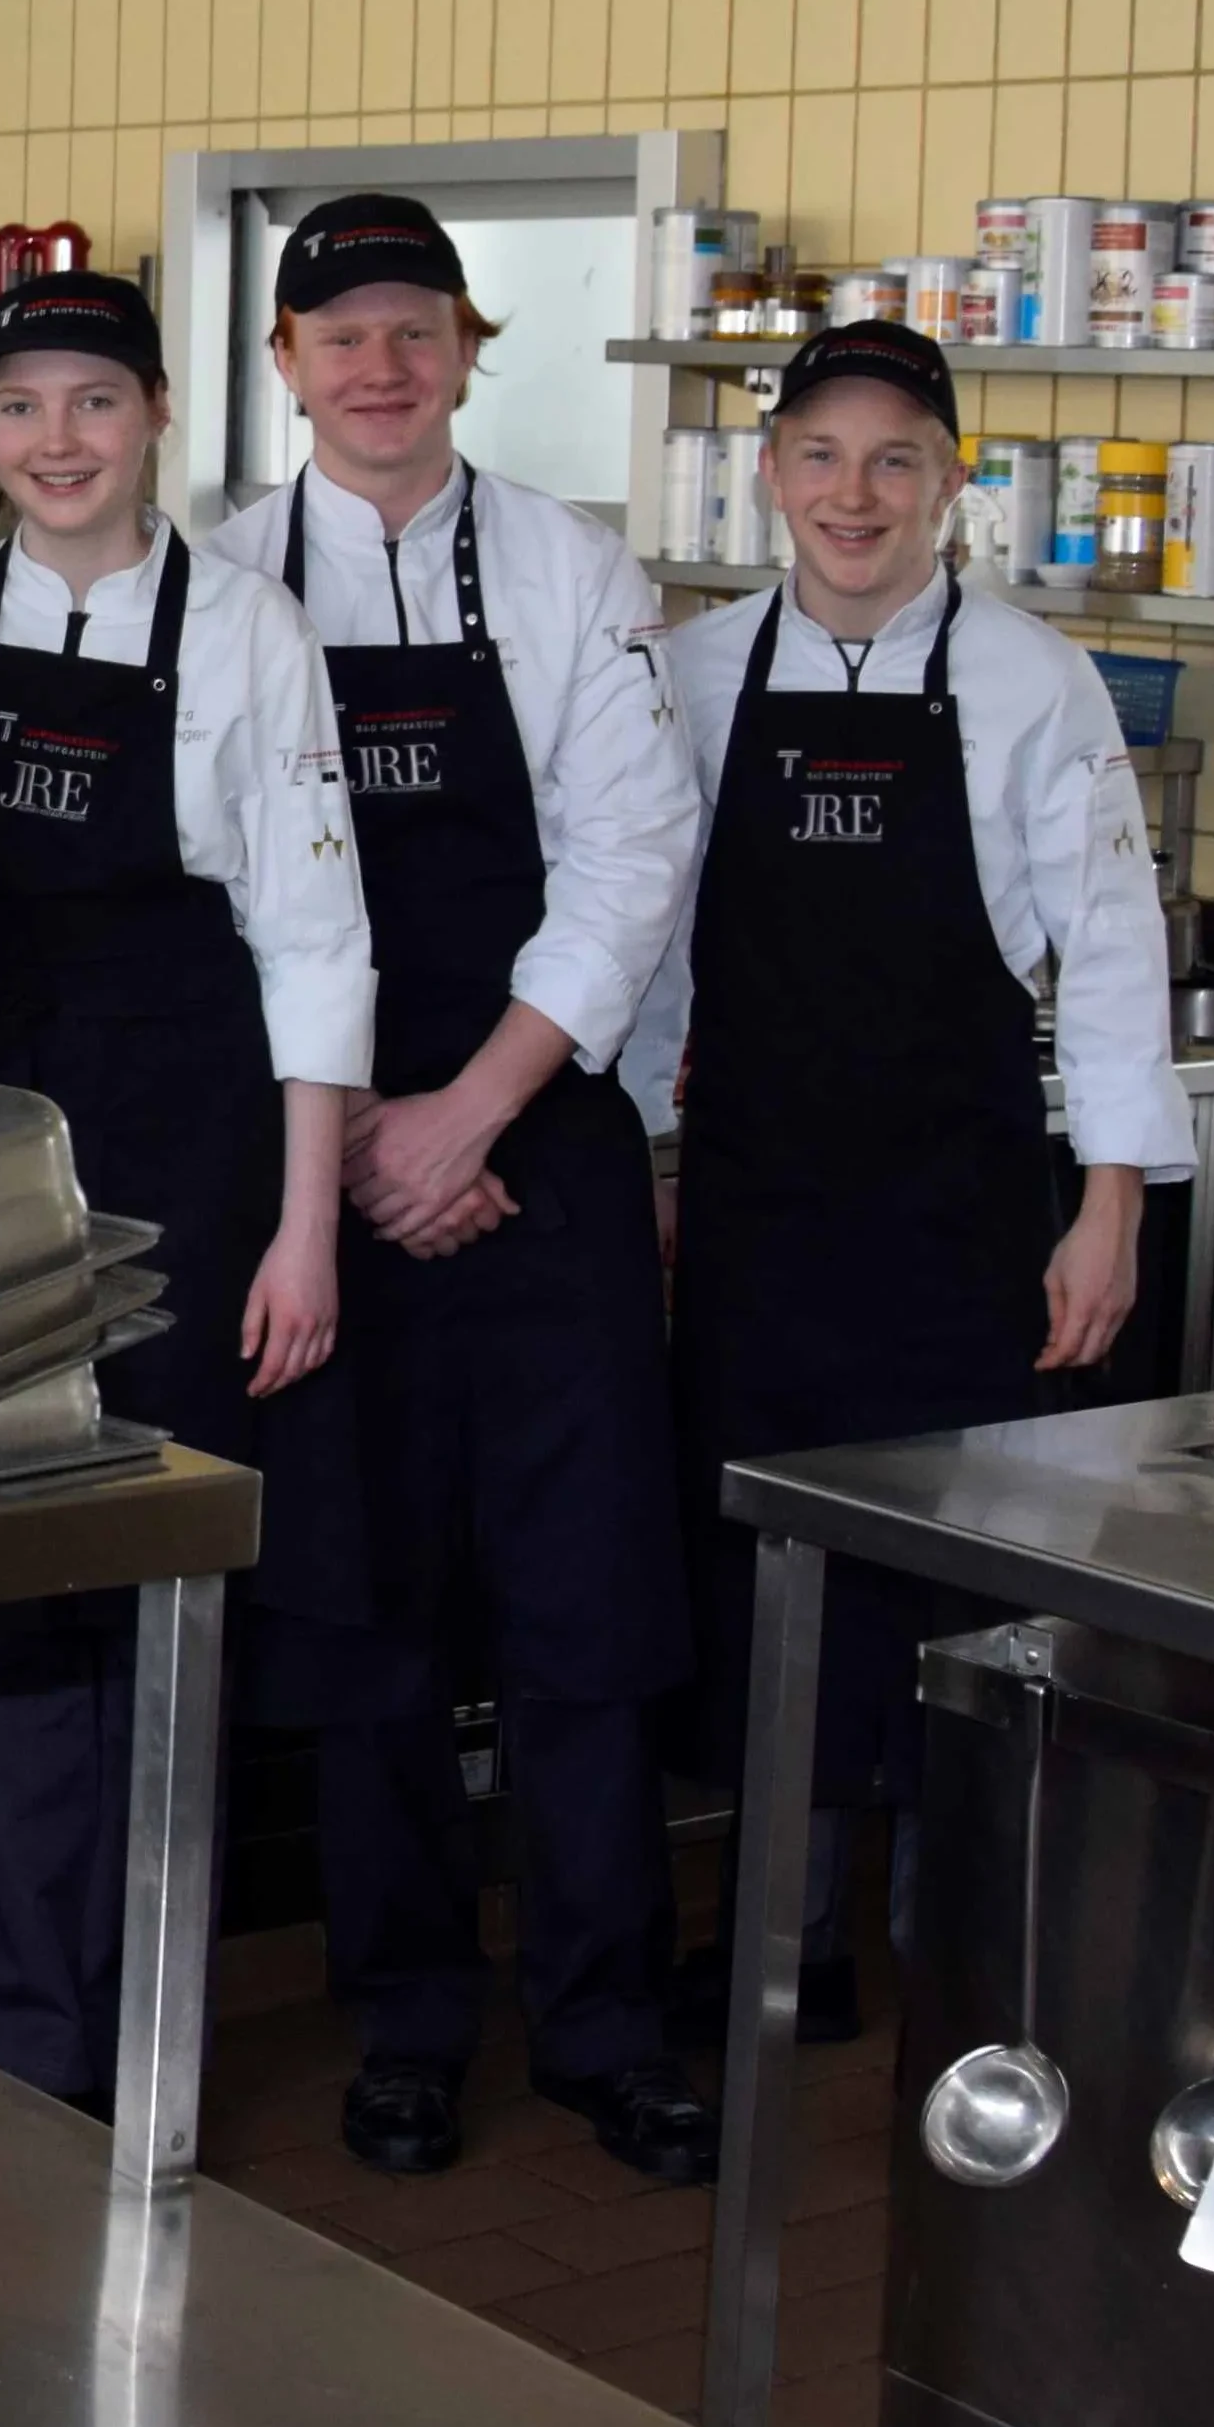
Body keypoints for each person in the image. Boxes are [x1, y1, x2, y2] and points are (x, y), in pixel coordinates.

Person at [216, 195, 713, 2184]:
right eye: (336, 333)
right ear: (282, 364)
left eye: (411, 329)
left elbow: (624, 861)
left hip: (538, 1138)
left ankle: (605, 2020)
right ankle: (408, 2015)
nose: (375, 366)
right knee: (370, 1609)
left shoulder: (573, 569)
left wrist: (471, 1112)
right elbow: (224, 885)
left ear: (466, 346)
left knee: (582, 1603)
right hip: (312, 1147)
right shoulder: (222, 574)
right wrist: (349, 1139)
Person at [631, 319, 1189, 2032]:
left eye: (893, 461)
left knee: (957, 1583)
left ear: (951, 486)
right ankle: (782, 1943)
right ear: (768, 477)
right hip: (752, 1212)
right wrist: (648, 1144)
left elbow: (1103, 951)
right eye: (817, 456)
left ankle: (961, 1956)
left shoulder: (1031, 679)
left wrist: (1108, 1201)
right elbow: (654, 944)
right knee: (760, 1579)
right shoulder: (696, 673)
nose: (850, 495)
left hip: (955, 1221)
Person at [0, 267, 369, 2104]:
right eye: (19, 408)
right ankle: (23, 2055)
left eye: (92, 402)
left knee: (163, 1588)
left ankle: (148, 2034)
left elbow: (318, 941)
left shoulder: (251, 631)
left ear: (158, 412)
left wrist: (308, 1224)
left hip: (194, 1134)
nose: (56, 442)